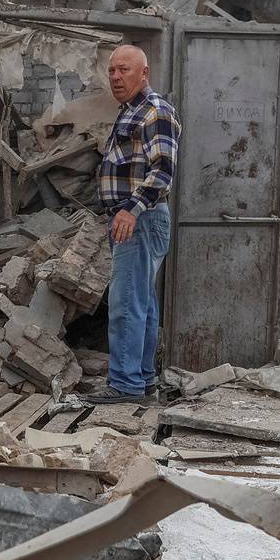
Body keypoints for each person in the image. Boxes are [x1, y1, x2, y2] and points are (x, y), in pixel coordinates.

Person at [94, 44, 178, 401]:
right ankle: (142, 378)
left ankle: (125, 384)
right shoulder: (133, 110)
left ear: (144, 73)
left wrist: (131, 210)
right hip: (137, 219)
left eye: (124, 70)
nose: (116, 77)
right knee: (141, 300)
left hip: (139, 219)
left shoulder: (154, 111)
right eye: (112, 70)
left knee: (126, 302)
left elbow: (163, 171)